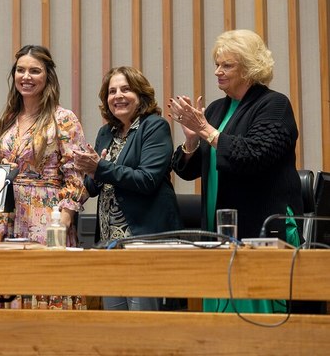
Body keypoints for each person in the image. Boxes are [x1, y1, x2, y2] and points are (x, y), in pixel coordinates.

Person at [168, 29, 303, 313]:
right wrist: (191, 140)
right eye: (217, 64)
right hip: (217, 232)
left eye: (226, 65)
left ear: (250, 68)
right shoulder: (217, 109)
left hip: (261, 229)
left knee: (257, 322)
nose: (217, 71)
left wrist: (205, 129)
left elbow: (253, 156)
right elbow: (188, 170)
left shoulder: (274, 105)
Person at [74, 66, 181, 311]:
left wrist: (100, 167)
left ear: (140, 95)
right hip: (110, 242)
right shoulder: (106, 132)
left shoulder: (154, 127)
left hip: (143, 239)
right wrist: (90, 170)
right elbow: (95, 185)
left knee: (143, 322)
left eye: (126, 89)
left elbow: (148, 179)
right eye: (112, 91)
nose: (118, 96)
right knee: (115, 319)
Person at [0, 44, 87, 246]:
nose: (26, 77)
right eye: (21, 70)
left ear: (47, 77)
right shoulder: (9, 118)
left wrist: (64, 221)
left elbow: (76, 176)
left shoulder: (63, 119)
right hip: (9, 213)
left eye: (34, 71)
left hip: (47, 215)